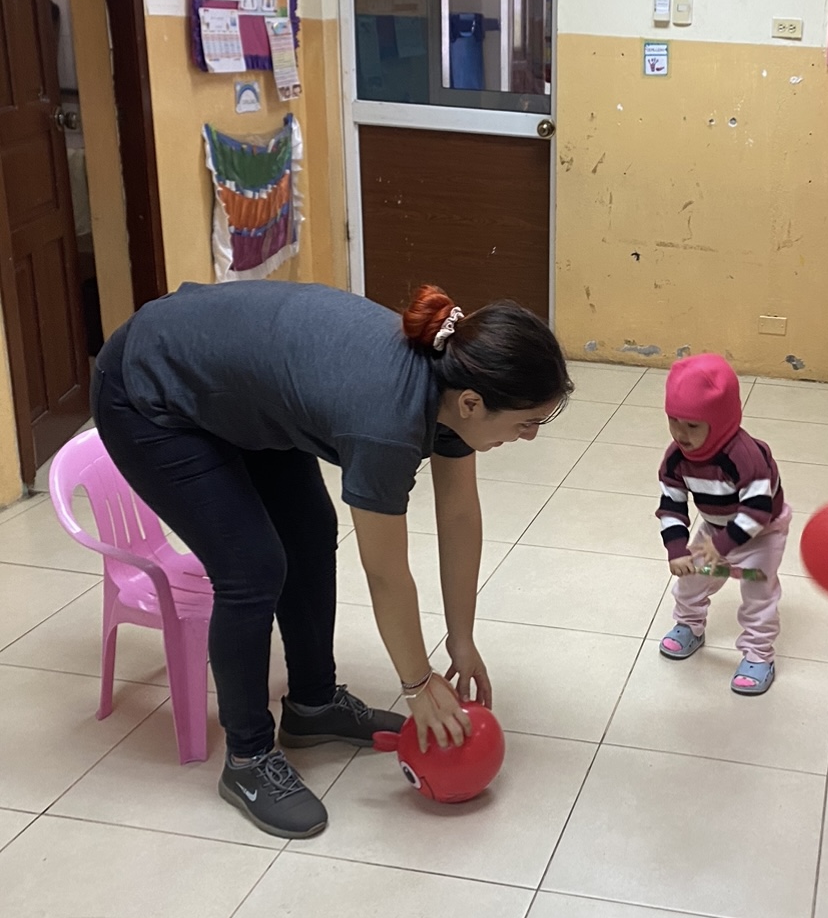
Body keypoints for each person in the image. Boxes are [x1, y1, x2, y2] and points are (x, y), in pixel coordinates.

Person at [91, 280, 571, 839]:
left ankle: (313, 706)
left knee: (311, 532)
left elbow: (459, 516)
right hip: (149, 390)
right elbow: (386, 574)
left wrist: (460, 641)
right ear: (472, 404)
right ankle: (247, 760)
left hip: (238, 387)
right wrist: (417, 684)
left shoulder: (452, 381)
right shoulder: (386, 424)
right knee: (252, 569)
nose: (530, 436)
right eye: (527, 422)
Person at [656, 355, 790, 696]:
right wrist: (677, 549)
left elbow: (758, 511)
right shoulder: (675, 458)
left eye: (693, 426)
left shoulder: (745, 456)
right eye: (673, 421)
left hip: (762, 533)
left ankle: (759, 655)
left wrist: (722, 547)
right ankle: (690, 625)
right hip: (715, 530)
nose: (681, 434)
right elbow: (671, 504)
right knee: (691, 580)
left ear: (720, 421)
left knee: (758, 593)